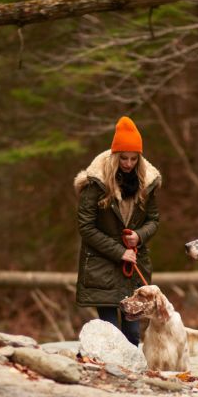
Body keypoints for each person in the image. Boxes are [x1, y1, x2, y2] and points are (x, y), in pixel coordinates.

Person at [74, 116, 161, 346]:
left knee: (133, 335)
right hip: (102, 266)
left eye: (134, 158)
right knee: (111, 333)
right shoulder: (95, 184)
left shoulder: (147, 183)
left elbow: (153, 220)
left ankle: (132, 380)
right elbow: (86, 227)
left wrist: (139, 236)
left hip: (133, 266)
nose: (129, 163)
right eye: (124, 158)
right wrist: (119, 252)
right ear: (115, 157)